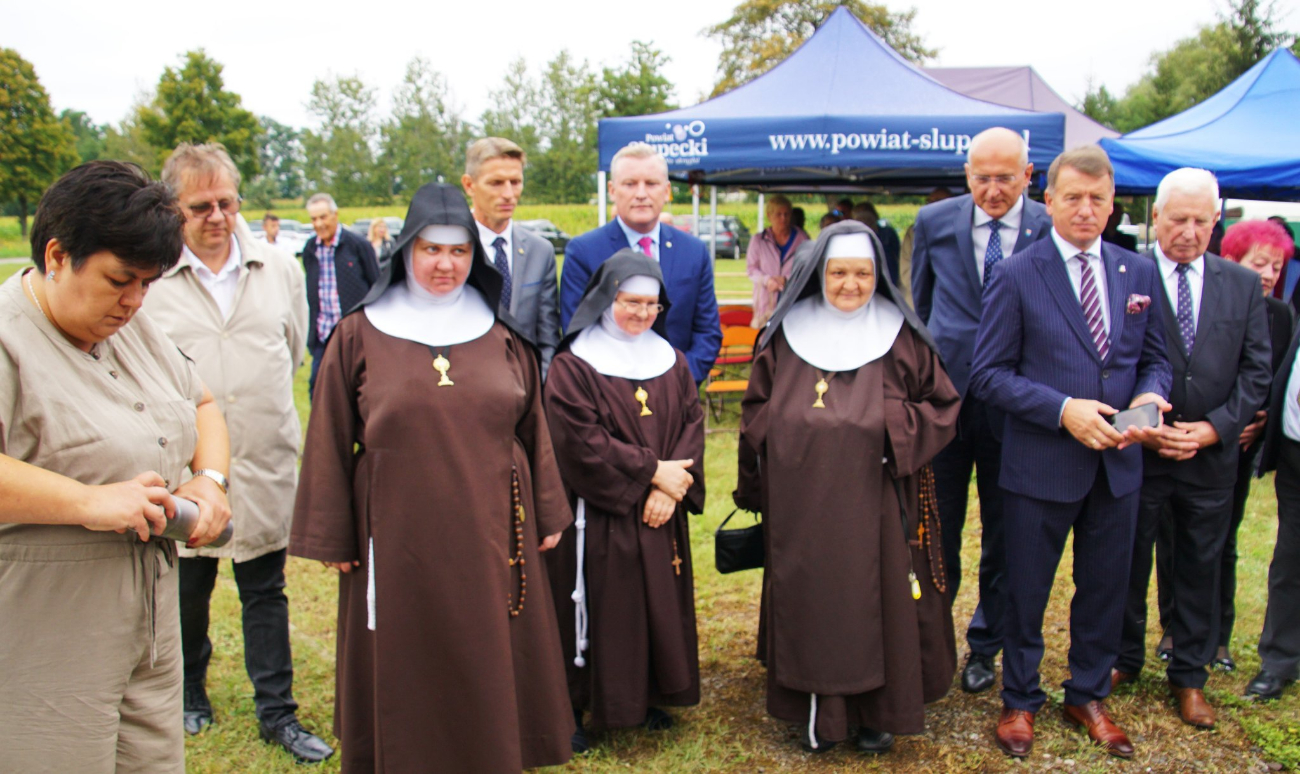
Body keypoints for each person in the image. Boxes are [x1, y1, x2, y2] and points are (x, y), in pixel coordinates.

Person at [290, 182, 574, 772]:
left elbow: (533, 428)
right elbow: (329, 437)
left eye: (459, 252)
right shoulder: (360, 333)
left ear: (474, 256)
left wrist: (548, 511)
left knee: (487, 652)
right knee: (407, 662)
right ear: (405, 251)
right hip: (396, 536)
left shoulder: (501, 333)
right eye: (430, 250)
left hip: (493, 527)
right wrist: (332, 533)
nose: (445, 265)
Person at [0, 160, 233, 772]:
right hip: (45, 636)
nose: (133, 301)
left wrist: (209, 482)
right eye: (118, 280)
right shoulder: (6, 339)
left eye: (148, 284)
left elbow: (201, 401)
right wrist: (88, 502)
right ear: (56, 255)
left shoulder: (134, 328)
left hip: (150, 633)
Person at [970, 145, 1172, 760]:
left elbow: (1157, 358)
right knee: (1027, 587)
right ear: (1049, 200)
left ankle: (1087, 692)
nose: (1087, 210)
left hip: (1119, 464)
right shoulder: (1016, 273)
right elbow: (989, 374)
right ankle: (1020, 698)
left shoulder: (1136, 272)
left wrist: (1149, 396)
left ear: (1114, 204)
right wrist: (1064, 410)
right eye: (1074, 197)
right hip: (1040, 462)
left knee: (1106, 586)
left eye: (1099, 199)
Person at [735, 221, 961, 756]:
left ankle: (879, 712)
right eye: (838, 272)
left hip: (878, 500)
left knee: (876, 598)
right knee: (813, 600)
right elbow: (755, 411)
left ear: (878, 276)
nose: (850, 285)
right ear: (819, 274)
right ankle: (817, 710)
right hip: (801, 503)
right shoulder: (786, 333)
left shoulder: (900, 335)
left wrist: (883, 427)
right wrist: (790, 435)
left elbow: (943, 407)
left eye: (862, 273)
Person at [144, 143, 331, 762]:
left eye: (227, 202)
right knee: (187, 587)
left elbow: (296, 347)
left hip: (265, 458)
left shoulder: (277, 267)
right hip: (185, 470)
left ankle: (277, 712)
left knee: (265, 588)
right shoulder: (153, 276)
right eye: (200, 206)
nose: (217, 216)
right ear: (173, 208)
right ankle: (189, 693)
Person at [1111, 169, 1271, 730]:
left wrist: (1214, 429)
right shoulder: (1126, 274)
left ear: (1217, 220)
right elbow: (1108, 363)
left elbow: (1256, 371)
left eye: (1202, 220)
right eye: (1178, 219)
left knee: (1201, 564)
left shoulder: (1241, 285)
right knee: (1128, 559)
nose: (1189, 230)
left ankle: (1190, 676)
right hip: (1141, 450)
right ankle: (1123, 657)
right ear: (1156, 217)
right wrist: (1142, 425)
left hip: (1209, 458)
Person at [910, 127, 1054, 695]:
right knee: (938, 527)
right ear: (967, 174)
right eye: (981, 177)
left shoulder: (1048, 226)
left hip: (1016, 406)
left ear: (1027, 175)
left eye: (1005, 178)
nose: (993, 190)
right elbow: (918, 312)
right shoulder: (934, 223)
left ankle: (984, 646)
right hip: (946, 403)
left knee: (1005, 531)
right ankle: (932, 643)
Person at [544, 250, 705, 752]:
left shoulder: (672, 361)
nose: (641, 314)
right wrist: (651, 473)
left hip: (659, 512)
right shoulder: (573, 365)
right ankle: (576, 703)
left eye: (651, 305)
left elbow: (691, 426)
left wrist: (669, 488)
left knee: (656, 601)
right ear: (605, 300)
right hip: (600, 515)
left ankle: (651, 695)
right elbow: (579, 441)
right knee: (598, 606)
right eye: (630, 302)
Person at [561, 142, 721, 384]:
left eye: (651, 183)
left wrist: (678, 384)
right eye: (630, 183)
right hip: (609, 399)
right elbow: (578, 333)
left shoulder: (694, 252)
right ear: (612, 190)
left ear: (667, 191)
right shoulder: (584, 252)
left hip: (677, 394)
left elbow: (707, 332)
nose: (641, 194)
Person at [1210, 220, 1294, 676]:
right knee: (1178, 539)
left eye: (1276, 266)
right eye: (1258, 262)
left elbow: (1274, 377)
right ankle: (1173, 627)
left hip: (1241, 445)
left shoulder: (1281, 315)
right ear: (1233, 259)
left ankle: (1219, 635)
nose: (1267, 273)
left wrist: (1260, 421)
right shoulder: (1215, 303)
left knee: (1226, 540)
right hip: (1201, 434)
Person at [1240, 221, 1300, 702]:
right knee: (1289, 559)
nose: (1269, 272)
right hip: (1295, 448)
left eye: (1274, 265)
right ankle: (1279, 661)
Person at [461, 137, 562, 377]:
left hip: (526, 390)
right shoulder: (453, 251)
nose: (508, 193)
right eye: (496, 183)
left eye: (515, 182)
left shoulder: (540, 251)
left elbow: (547, 337)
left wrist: (538, 390)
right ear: (469, 185)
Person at [301, 192, 379, 397]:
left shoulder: (357, 245)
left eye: (323, 217)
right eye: (314, 219)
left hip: (355, 334)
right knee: (318, 389)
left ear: (335, 215)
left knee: (358, 390)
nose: (319, 224)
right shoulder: (310, 249)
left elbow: (376, 286)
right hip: (323, 334)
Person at [746, 194, 808, 326]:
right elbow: (751, 269)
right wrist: (767, 280)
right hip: (765, 304)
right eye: (779, 214)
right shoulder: (758, 240)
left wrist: (786, 279)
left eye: (786, 214)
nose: (783, 218)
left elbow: (807, 268)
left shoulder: (802, 239)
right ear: (769, 216)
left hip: (793, 303)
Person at [897, 187, 952, 307]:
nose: (932, 205)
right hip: (917, 302)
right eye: (929, 202)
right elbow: (906, 271)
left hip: (949, 306)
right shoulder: (914, 232)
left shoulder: (959, 231)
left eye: (938, 201)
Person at [850, 201, 902, 285]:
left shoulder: (887, 233)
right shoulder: (851, 237)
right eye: (860, 217)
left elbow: (898, 255)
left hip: (888, 279)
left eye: (867, 217)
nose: (864, 220)